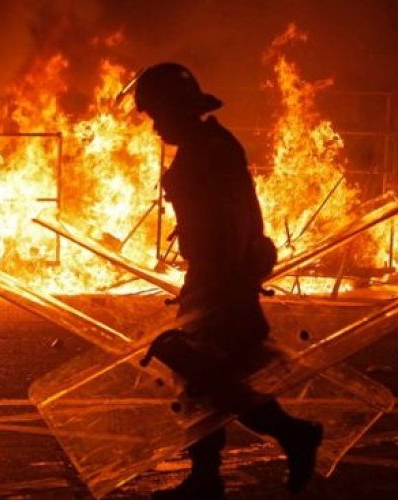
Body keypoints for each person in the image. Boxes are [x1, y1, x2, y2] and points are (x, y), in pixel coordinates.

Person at [131, 63, 323, 499]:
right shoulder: (206, 145)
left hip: (221, 284)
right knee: (202, 383)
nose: (156, 127)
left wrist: (226, 285)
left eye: (158, 115)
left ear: (177, 109)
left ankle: (291, 436)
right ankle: (208, 476)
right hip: (213, 278)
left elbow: (233, 221)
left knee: (207, 377)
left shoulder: (209, 151)